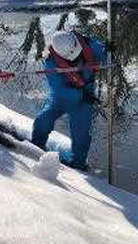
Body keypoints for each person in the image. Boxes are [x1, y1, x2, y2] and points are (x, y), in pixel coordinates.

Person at [31, 31, 107, 170]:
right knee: (42, 120)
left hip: (84, 98)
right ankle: (35, 149)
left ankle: (78, 164)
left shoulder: (84, 42)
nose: (75, 57)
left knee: (81, 134)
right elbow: (58, 88)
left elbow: (99, 50)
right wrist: (79, 95)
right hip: (61, 98)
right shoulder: (49, 61)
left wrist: (106, 49)